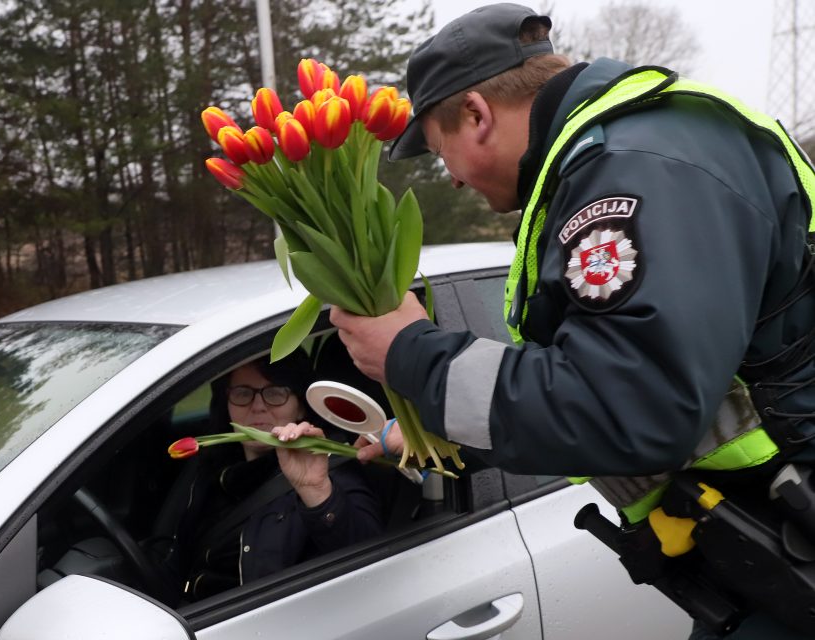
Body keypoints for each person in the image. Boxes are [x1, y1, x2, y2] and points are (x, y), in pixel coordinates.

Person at [331, 3, 815, 638]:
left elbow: (632, 408)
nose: (448, 177)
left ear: (476, 113)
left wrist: (412, 354)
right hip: (767, 542)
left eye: (436, 146)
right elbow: (597, 373)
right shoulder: (624, 156)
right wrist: (433, 436)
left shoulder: (639, 168)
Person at [170, 349, 383, 603]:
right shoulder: (213, 465)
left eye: (275, 393)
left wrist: (316, 492)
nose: (258, 406)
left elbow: (372, 568)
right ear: (226, 402)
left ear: (301, 406)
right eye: (242, 393)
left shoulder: (328, 471)